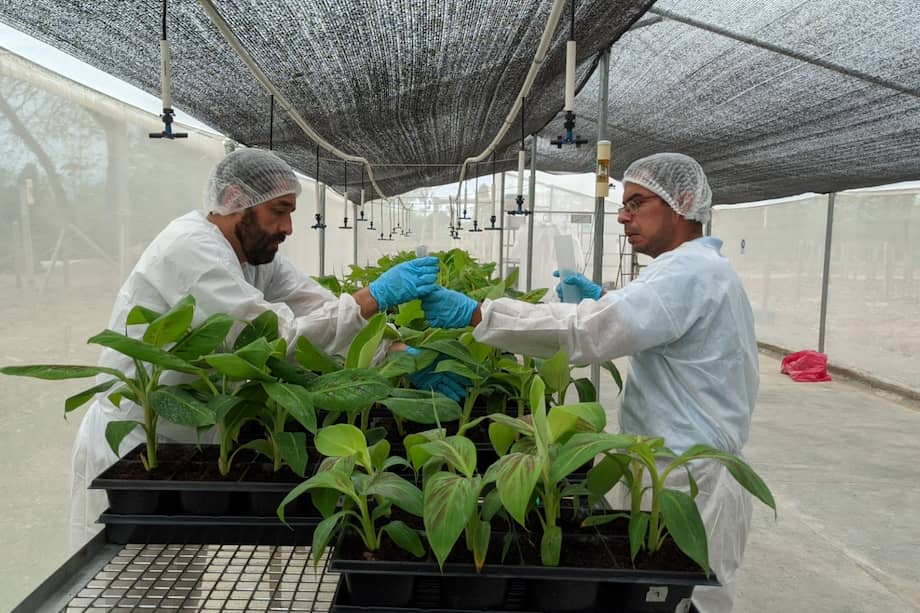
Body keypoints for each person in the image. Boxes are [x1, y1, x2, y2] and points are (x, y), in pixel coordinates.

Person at [419, 153, 758, 613]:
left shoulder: (689, 273)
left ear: (682, 202)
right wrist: (608, 300)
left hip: (686, 479)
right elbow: (643, 322)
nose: (623, 216)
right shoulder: (695, 270)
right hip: (674, 468)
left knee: (682, 600)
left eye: (637, 203)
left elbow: (586, 332)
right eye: (624, 205)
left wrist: (481, 313)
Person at [71, 148, 458, 548]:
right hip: (133, 448)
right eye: (279, 211)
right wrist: (373, 296)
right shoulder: (189, 250)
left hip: (190, 445)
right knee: (124, 590)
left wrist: (391, 350)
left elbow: (316, 306)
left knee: (178, 582)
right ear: (237, 200)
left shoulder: (256, 258)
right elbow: (275, 339)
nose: (288, 227)